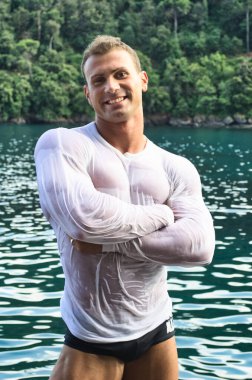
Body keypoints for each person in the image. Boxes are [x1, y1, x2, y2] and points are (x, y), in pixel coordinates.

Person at [34, 35, 215, 380]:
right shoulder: (61, 144)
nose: (111, 87)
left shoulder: (175, 166)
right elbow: (83, 219)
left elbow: (199, 246)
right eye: (98, 80)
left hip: (157, 334)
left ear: (142, 80)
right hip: (90, 341)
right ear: (88, 93)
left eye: (120, 75)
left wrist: (109, 242)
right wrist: (163, 216)